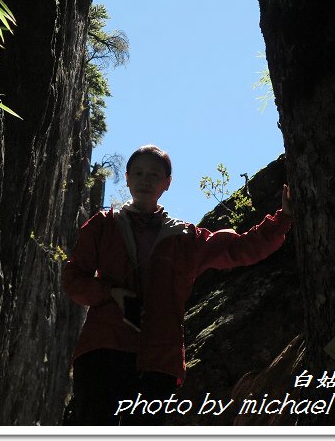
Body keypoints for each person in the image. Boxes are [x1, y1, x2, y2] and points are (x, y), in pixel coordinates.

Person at [63, 144, 292, 426]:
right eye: (138, 173)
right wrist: (110, 292)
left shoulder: (185, 237)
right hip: (104, 349)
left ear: (167, 183)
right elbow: (73, 281)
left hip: (160, 359)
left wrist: (284, 218)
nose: (145, 180)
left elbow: (240, 248)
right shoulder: (103, 225)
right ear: (127, 177)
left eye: (154, 175)